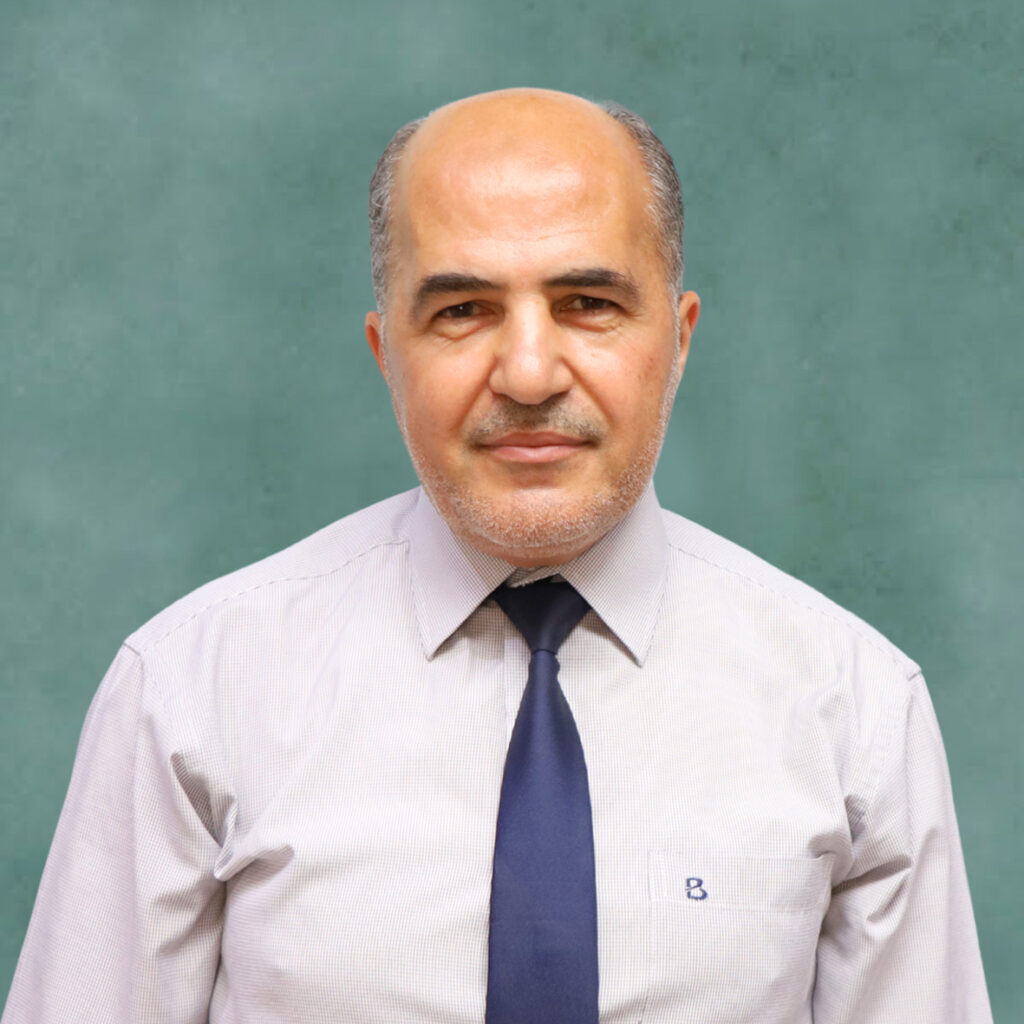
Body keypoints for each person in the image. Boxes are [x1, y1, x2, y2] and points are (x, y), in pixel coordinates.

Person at [2, 88, 992, 1023]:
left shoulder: (854, 708)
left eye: (588, 302)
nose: (526, 373)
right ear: (387, 353)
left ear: (680, 339)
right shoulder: (189, 691)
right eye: (462, 310)